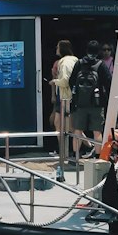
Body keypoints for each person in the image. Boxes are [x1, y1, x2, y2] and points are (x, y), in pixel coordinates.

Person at [69, 40, 106, 161]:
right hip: (96, 103)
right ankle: (98, 157)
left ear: (86, 50)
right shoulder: (101, 65)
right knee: (97, 131)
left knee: (78, 130)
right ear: (98, 52)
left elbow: (71, 81)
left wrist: (78, 96)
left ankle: (75, 156)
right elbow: (109, 82)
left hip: (80, 104)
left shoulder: (79, 64)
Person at [51, 39, 77, 177]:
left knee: (66, 126)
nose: (56, 48)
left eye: (58, 47)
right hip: (66, 96)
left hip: (65, 97)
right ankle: (65, 151)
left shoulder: (65, 62)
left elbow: (65, 79)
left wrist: (54, 81)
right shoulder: (73, 60)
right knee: (63, 124)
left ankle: (66, 152)